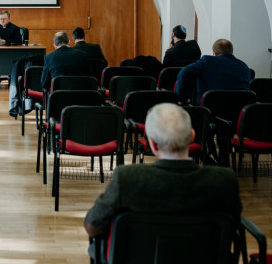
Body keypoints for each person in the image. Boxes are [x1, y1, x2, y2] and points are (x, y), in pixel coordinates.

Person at [84, 103, 242, 259]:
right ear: (192, 136)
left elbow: (93, 226)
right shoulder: (225, 180)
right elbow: (233, 226)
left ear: (151, 144)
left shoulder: (127, 178)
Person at [176, 38, 251, 105]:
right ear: (231, 52)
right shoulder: (244, 67)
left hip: (209, 113)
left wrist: (181, 99)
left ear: (214, 53)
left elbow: (184, 72)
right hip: (238, 114)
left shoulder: (207, 61)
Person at [0, 10, 23, 88]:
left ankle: (11, 78)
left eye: (4, 18)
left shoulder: (15, 28)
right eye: (1, 19)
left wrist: (6, 41)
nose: (2, 20)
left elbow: (19, 41)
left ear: (9, 19)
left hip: (11, 52)